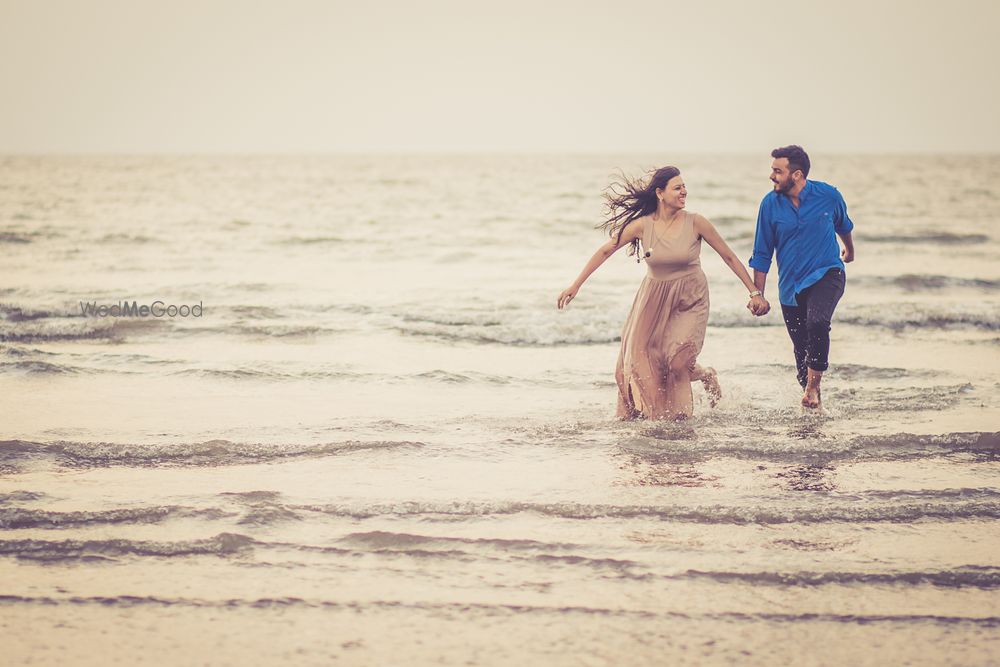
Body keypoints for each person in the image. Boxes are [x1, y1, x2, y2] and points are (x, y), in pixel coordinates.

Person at [557, 166, 767, 420]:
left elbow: (729, 257)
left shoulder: (696, 222)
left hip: (690, 298)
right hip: (653, 298)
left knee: (677, 361)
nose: (684, 192)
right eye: (677, 188)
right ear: (660, 193)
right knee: (642, 362)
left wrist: (754, 292)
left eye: (684, 187)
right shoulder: (642, 226)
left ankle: (686, 409)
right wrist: (576, 285)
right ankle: (660, 414)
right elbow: (605, 251)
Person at [748, 145, 855, 410]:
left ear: (796, 175)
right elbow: (762, 253)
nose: (771, 176)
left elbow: (844, 225)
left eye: (777, 171)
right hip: (790, 288)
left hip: (827, 273)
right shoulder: (769, 205)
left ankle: (814, 387)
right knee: (801, 353)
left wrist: (849, 251)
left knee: (817, 322)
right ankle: (812, 404)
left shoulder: (829, 196)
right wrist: (757, 294)